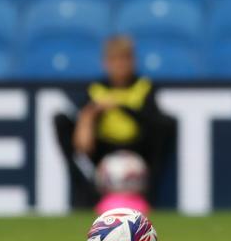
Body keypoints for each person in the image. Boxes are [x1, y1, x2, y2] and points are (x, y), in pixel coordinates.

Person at [53, 36, 177, 209]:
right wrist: (89, 116)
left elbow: (152, 121)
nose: (120, 65)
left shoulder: (144, 86)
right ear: (106, 63)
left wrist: (120, 106)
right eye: (114, 60)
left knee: (167, 124)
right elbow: (83, 142)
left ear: (133, 61)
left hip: (138, 148)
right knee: (60, 120)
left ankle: (149, 196)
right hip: (103, 150)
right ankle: (86, 196)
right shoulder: (96, 88)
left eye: (124, 59)